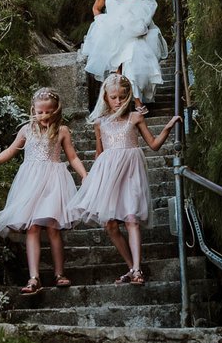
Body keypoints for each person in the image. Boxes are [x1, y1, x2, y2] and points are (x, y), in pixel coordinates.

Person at [67, 73, 180, 286]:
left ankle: (137, 269)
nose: (118, 101)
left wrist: (168, 127)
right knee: (110, 225)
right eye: (113, 97)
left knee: (131, 218)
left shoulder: (135, 118)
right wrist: (90, 179)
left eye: (122, 96)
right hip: (108, 174)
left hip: (130, 172)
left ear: (128, 96)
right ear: (106, 98)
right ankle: (130, 266)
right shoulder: (100, 123)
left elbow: (154, 145)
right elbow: (100, 153)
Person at [0, 88, 87, 295]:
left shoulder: (62, 130)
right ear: (33, 110)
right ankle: (34, 277)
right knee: (33, 226)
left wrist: (84, 175)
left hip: (54, 181)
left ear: (56, 111)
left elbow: (72, 157)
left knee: (53, 226)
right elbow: (11, 150)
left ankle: (59, 273)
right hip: (30, 181)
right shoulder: (27, 130)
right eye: (40, 112)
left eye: (49, 112)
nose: (44, 116)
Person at [78, 0, 167, 114]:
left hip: (133, 35)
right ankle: (119, 106)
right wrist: (102, 23)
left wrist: (141, 24)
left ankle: (138, 103)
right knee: (117, 72)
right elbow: (96, 9)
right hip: (114, 36)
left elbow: (145, 8)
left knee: (132, 66)